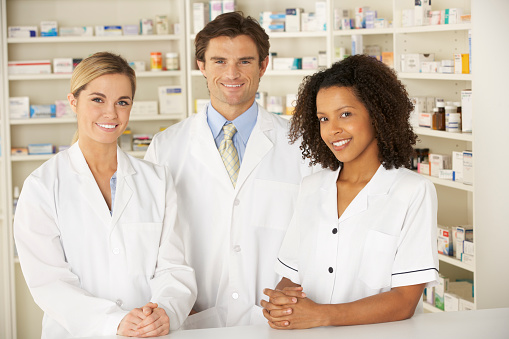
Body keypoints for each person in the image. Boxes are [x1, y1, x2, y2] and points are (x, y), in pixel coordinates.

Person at [144, 12, 314, 329]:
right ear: (201, 66)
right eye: (219, 61)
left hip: (276, 318)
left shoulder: (301, 143)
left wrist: (293, 284)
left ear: (263, 66)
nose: (232, 73)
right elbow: (154, 240)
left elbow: (317, 226)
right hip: (194, 318)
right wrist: (173, 301)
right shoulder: (165, 147)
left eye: (245, 62)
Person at [14, 52, 197, 338]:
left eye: (122, 102)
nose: (111, 113)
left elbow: (174, 267)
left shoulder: (157, 180)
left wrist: (165, 311)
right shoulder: (42, 186)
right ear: (73, 102)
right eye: (98, 99)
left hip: (151, 333)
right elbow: (49, 282)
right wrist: (114, 321)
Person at [261, 54, 439, 329]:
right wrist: (282, 302)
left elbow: (405, 301)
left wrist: (323, 315)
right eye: (323, 118)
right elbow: (292, 277)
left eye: (346, 114)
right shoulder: (310, 188)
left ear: (377, 113)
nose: (333, 130)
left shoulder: (412, 191)